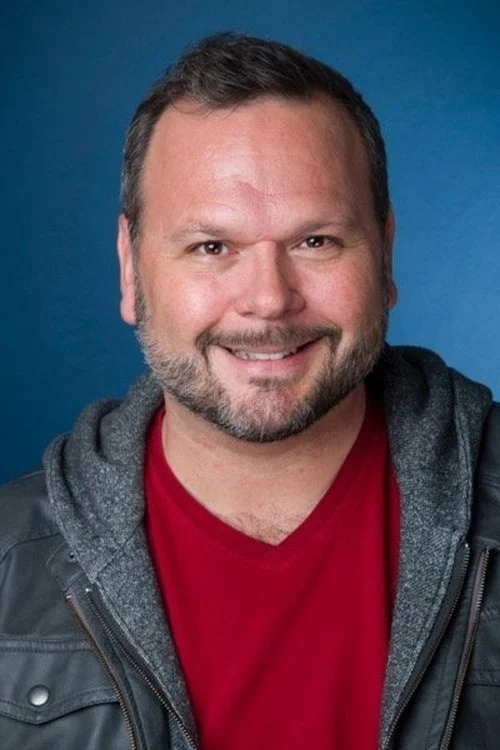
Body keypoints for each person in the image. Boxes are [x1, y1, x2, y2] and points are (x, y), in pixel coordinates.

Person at [0, 32, 499, 750]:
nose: (268, 300)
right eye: (212, 247)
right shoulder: (9, 559)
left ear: (385, 256)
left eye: (315, 241)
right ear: (131, 269)